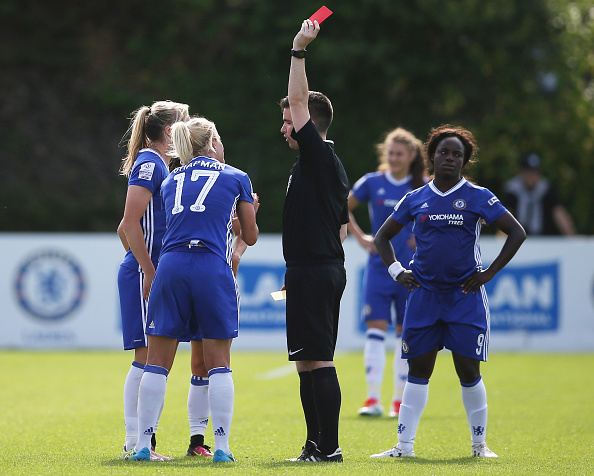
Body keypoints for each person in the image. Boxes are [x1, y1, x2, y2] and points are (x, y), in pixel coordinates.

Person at [370, 125, 526, 459]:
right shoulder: (416, 198)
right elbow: (382, 237)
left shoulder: (479, 196)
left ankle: (478, 446)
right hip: (424, 297)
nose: (450, 158)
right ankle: (404, 446)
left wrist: (489, 273)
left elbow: (516, 232)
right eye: (444, 152)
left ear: (465, 160)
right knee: (418, 371)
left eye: (457, 154)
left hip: (464, 299)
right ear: (432, 156)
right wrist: (397, 270)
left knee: (469, 372)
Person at [129, 116, 259, 463]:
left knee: (156, 363)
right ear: (214, 141)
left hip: (171, 266)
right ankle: (222, 448)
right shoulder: (236, 176)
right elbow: (250, 235)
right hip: (210, 267)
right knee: (218, 364)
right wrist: (245, 217)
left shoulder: (171, 178)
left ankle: (142, 445)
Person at [279, 18, 350, 463]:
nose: (284, 127)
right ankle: (314, 446)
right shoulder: (316, 168)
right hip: (310, 270)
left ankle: (331, 448)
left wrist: (299, 49)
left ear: (308, 125)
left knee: (319, 359)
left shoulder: (319, 155)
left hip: (316, 270)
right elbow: (341, 225)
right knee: (306, 361)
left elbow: (301, 98)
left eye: (288, 122)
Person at [116, 100, 190, 461]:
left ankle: (141, 443)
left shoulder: (158, 164)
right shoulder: (149, 163)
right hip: (148, 273)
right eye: (184, 124)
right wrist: (146, 269)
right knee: (146, 359)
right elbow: (130, 224)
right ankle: (137, 443)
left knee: (149, 358)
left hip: (149, 270)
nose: (189, 130)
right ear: (167, 133)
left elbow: (123, 228)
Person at [349, 127, 426, 418]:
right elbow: (343, 207)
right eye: (390, 153)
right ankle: (372, 399)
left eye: (399, 154)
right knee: (374, 331)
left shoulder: (422, 186)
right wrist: (360, 237)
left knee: (404, 334)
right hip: (379, 269)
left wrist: (422, 236)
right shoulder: (372, 182)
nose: (393, 159)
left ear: (411, 156)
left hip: (410, 272)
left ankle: (397, 401)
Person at [502, 153, 576, 236]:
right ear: (522, 172)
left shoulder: (546, 189)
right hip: (518, 238)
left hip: (542, 239)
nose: (531, 176)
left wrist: (572, 239)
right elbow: (505, 216)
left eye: (534, 172)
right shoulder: (512, 190)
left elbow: (559, 213)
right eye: (528, 172)